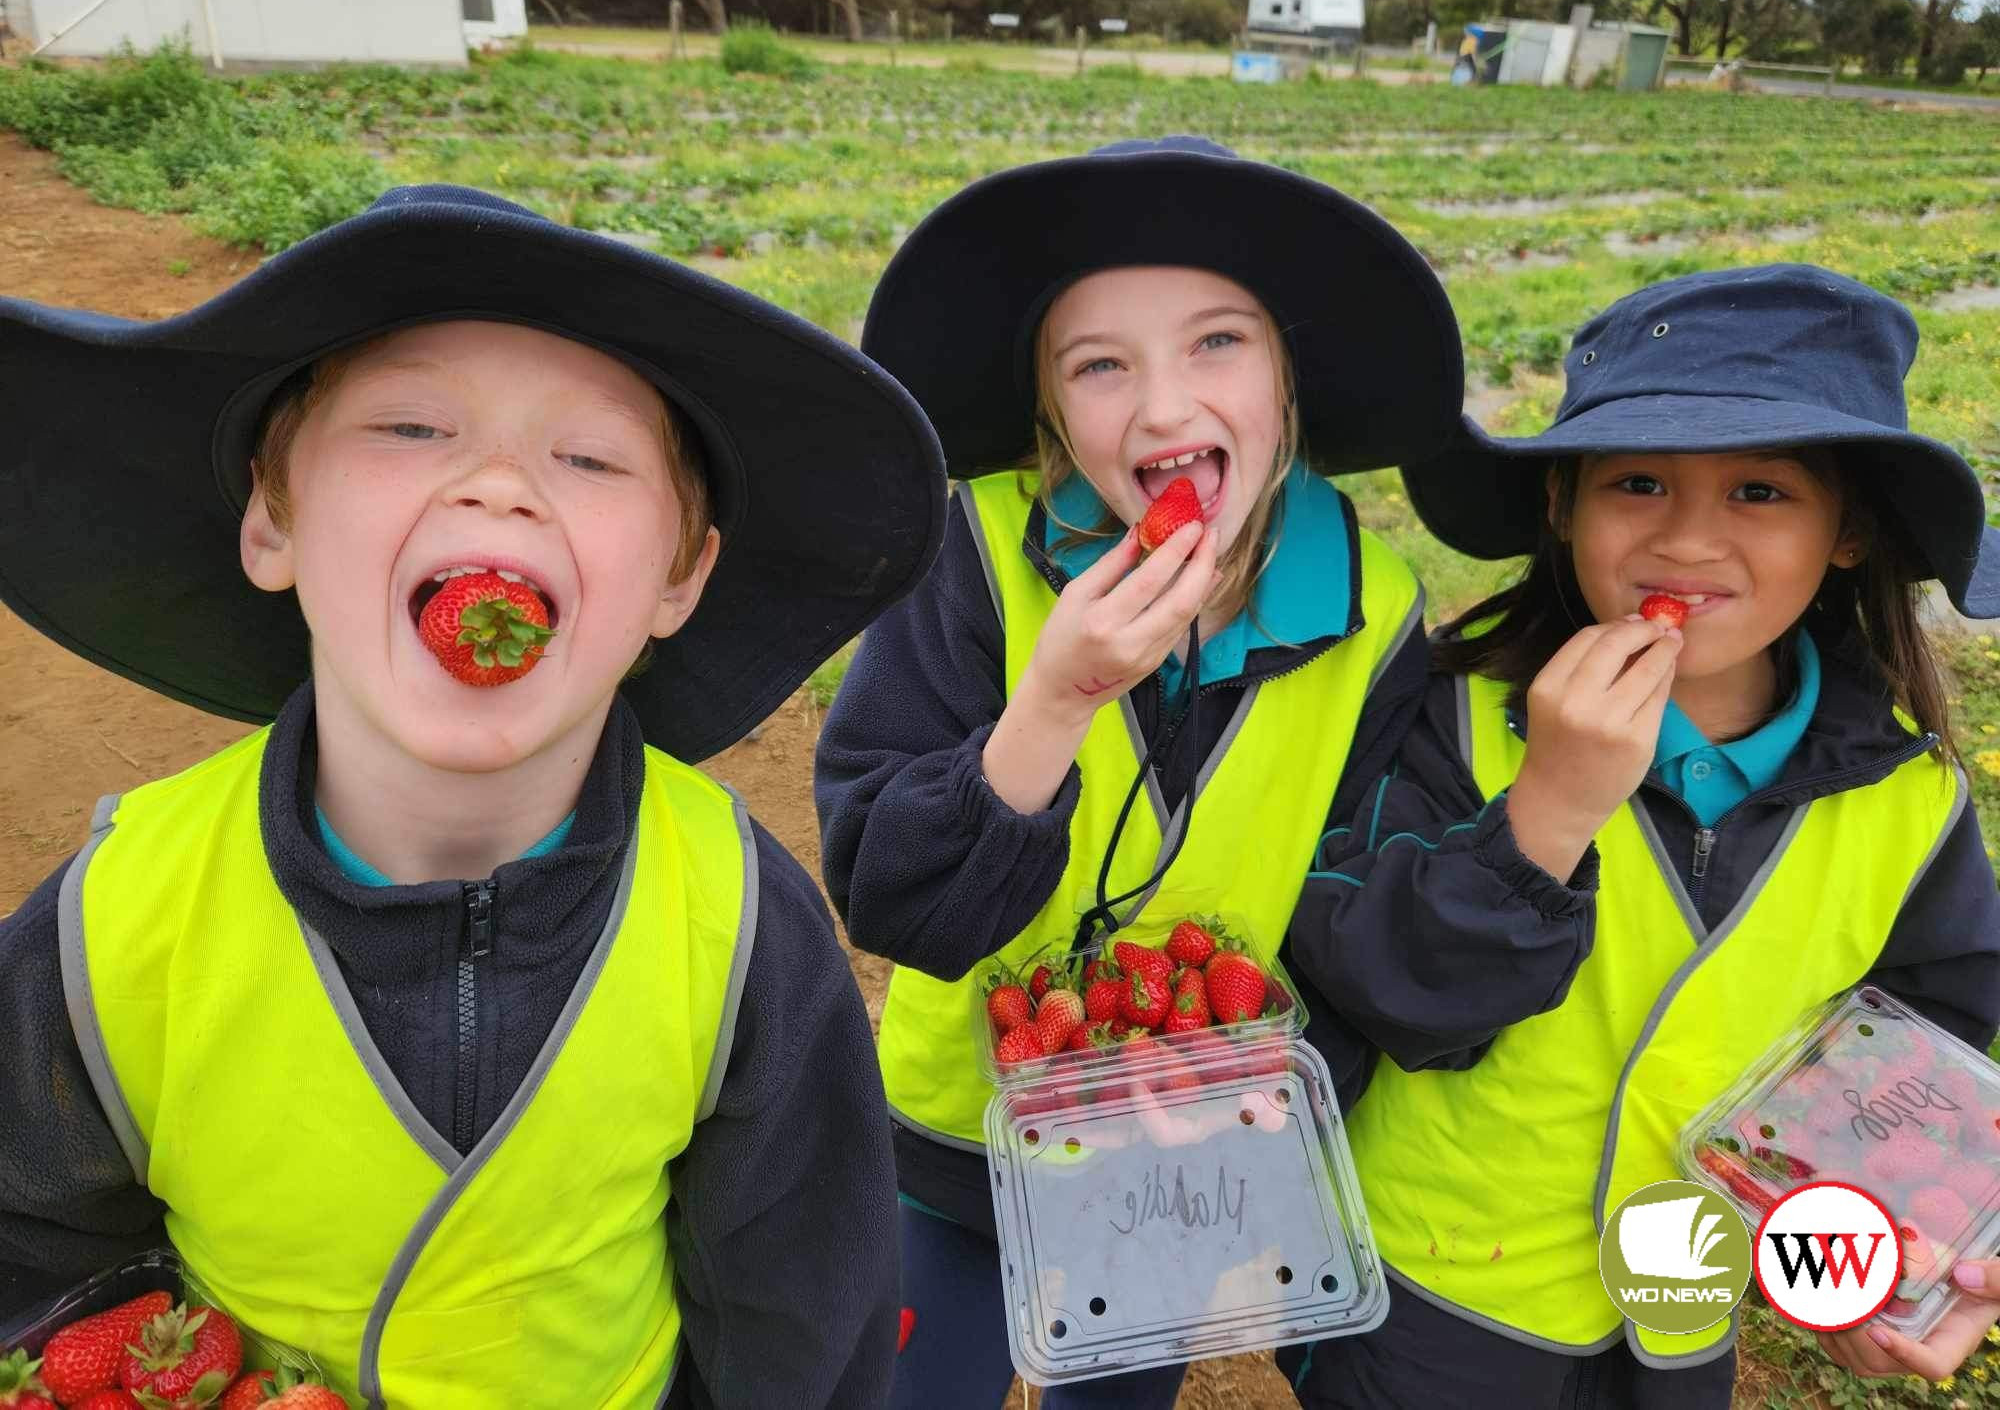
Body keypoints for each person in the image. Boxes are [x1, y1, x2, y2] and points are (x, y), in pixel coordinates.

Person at [0, 184, 948, 1408]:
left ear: (677, 578)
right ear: (271, 516)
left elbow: (800, 1318)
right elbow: (31, 1243)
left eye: (590, 455)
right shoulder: (111, 923)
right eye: (408, 428)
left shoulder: (735, 921)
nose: (499, 487)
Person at [815, 135, 1466, 1407]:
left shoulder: (1375, 610)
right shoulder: (975, 555)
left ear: (1289, 380)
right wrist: (1051, 702)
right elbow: (892, 900)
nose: (1163, 410)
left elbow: (1357, 906)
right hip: (954, 1142)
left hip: (1184, 1161)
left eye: (1218, 344)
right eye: (1099, 366)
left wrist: (1255, 1093)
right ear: (1051, 415)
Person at [1280, 263, 2000, 1407]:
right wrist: (1545, 814)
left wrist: (1852, 1260)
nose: (1687, 540)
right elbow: (1366, 991)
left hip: (1677, 1306)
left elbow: (1905, 1059)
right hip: (1428, 1297)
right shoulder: (1444, 719)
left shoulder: (1904, 794)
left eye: (1759, 492)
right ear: (1560, 506)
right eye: (1637, 482)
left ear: (1849, 531)